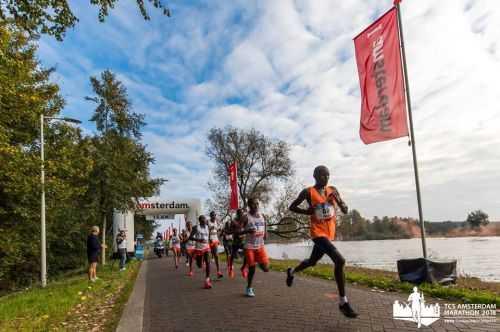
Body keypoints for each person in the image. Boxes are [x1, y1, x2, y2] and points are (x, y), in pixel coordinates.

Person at [286, 165, 358, 318]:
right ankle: (343, 302)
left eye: (328, 175)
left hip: (329, 232)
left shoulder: (333, 190)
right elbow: (292, 207)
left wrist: (337, 199)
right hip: (317, 233)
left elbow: (345, 209)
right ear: (315, 176)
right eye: (323, 175)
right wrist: (307, 211)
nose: (326, 178)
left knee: (312, 262)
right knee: (340, 260)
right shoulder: (308, 192)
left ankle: (291, 271)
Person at [238, 197, 269, 297]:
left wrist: (266, 232)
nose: (256, 206)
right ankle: (249, 288)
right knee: (252, 268)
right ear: (249, 205)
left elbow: (265, 224)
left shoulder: (262, 216)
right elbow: (238, 232)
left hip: (260, 246)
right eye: (253, 204)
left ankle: (253, 262)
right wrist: (247, 231)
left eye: (257, 204)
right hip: (249, 246)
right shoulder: (245, 217)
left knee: (265, 268)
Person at [189, 216, 212, 288]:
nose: (204, 221)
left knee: (208, 262)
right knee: (199, 265)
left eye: (205, 219)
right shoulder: (196, 227)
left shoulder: (208, 227)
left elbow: (209, 235)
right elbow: (190, 237)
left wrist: (210, 240)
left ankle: (207, 280)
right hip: (199, 248)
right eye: (203, 220)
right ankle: (198, 261)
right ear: (200, 221)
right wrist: (198, 240)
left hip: (206, 247)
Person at [230, 208, 248, 278]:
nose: (241, 214)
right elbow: (231, 230)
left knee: (247, 253)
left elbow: (247, 227)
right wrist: (236, 231)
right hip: (236, 240)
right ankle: (231, 268)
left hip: (243, 240)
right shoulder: (234, 221)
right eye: (240, 213)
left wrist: (244, 232)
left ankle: (243, 268)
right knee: (233, 255)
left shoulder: (245, 220)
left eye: (242, 213)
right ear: (237, 214)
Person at [208, 211, 223, 278]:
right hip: (209, 240)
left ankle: (218, 271)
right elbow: (205, 230)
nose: (213, 216)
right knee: (209, 256)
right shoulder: (208, 222)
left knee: (216, 255)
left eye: (214, 215)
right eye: (212, 215)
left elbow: (218, 231)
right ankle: (208, 272)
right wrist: (208, 238)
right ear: (210, 216)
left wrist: (219, 236)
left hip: (215, 239)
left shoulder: (217, 222)